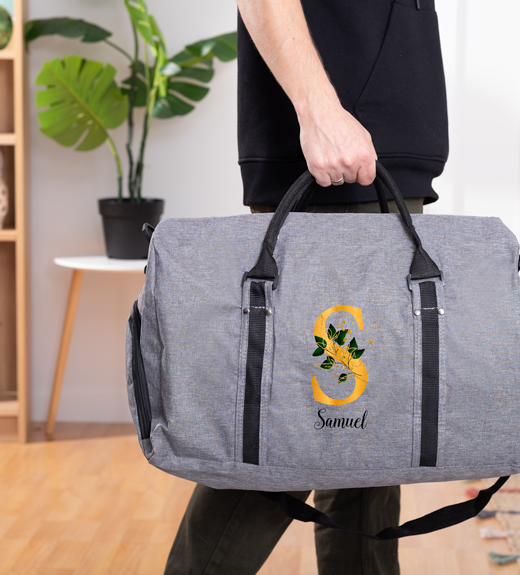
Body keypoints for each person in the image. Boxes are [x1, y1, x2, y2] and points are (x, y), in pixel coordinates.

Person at [164, 0, 448, 572]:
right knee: (290, 429)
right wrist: (319, 110)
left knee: (366, 435)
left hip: (380, 149)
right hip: (338, 146)